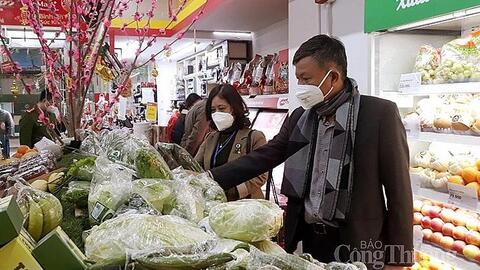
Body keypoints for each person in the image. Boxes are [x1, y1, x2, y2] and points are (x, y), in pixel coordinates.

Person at [208, 35, 413, 270]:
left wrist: (398, 259)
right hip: (312, 239)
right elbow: (267, 155)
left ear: (333, 76)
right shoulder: (301, 117)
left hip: (358, 241)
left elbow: (399, 191)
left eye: (306, 79)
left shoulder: (378, 114)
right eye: (298, 79)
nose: (301, 88)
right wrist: (211, 178)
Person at [195, 84, 267, 201]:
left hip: (244, 205)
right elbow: (196, 166)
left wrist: (232, 192)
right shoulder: (210, 138)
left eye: (222, 108)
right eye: (213, 110)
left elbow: (261, 175)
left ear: (234, 108)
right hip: (214, 203)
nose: (217, 113)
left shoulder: (254, 137)